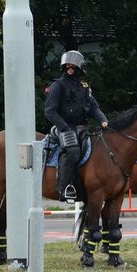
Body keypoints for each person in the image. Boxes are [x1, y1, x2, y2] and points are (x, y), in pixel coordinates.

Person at [45, 50, 109, 202]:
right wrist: (64, 127)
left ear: (79, 67)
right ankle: (64, 188)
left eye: (73, 65)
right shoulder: (57, 85)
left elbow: (94, 107)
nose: (70, 67)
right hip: (63, 127)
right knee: (73, 151)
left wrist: (103, 120)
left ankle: (87, 186)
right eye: (67, 64)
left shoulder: (84, 86)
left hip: (81, 128)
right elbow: (50, 112)